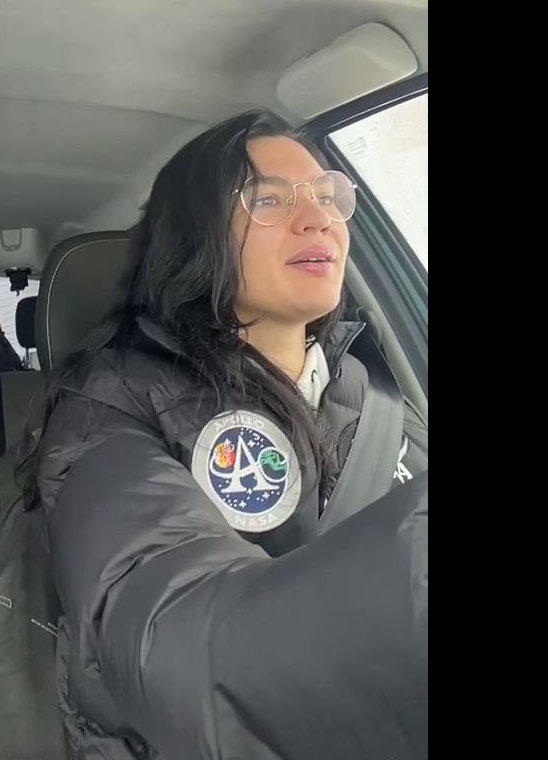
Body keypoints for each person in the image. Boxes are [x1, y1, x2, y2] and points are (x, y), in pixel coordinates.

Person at [25, 110, 428, 760]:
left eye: (329, 195)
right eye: (268, 199)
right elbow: (172, 644)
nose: (319, 218)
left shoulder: (377, 388)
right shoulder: (107, 407)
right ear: (194, 238)